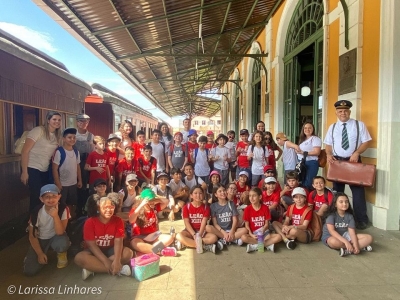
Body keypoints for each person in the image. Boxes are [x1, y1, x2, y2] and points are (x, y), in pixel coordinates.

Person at [324, 100, 372, 230]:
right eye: (340, 111)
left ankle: (361, 219)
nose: (343, 113)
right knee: (337, 192)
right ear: (336, 113)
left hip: (353, 162)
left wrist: (357, 152)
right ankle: (338, 218)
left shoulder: (359, 125)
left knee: (358, 192)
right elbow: (328, 144)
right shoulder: (332, 127)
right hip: (337, 162)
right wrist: (328, 154)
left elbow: (366, 142)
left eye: (345, 111)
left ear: (349, 112)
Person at [74, 193, 133, 280]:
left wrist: (116, 260)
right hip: (94, 251)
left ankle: (92, 269)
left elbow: (118, 241)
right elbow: (92, 245)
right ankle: (119, 269)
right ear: (98, 208)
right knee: (79, 258)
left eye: (111, 207)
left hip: (111, 249)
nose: (109, 210)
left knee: (128, 253)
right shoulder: (90, 222)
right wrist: (106, 262)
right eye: (105, 207)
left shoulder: (118, 221)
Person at [23, 184, 70, 276]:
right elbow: (32, 236)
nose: (51, 199)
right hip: (40, 238)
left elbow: (60, 232)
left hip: (56, 237)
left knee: (62, 242)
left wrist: (55, 216)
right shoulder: (36, 212)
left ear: (59, 197)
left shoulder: (64, 209)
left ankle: (61, 253)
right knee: (29, 271)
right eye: (47, 197)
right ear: (41, 199)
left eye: (54, 196)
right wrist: (40, 254)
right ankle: (37, 256)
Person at [21, 111, 62, 211]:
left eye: (59, 120)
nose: (57, 122)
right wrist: (24, 172)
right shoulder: (38, 130)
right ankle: (32, 223)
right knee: (36, 197)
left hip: (45, 169)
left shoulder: (57, 135)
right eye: (54, 119)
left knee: (45, 196)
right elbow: (25, 151)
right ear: (48, 120)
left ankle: (43, 222)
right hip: (32, 167)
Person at [321, 192, 373, 257]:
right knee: (333, 242)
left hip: (345, 235)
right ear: (335, 204)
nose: (344, 204)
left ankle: (348, 250)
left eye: (346, 202)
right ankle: (360, 247)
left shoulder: (350, 216)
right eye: (341, 202)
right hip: (331, 236)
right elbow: (332, 231)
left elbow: (352, 233)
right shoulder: (331, 216)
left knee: (369, 238)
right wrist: (346, 242)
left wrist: (356, 245)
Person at [175, 185, 218, 253]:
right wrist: (194, 235)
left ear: (203, 195)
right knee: (178, 236)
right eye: (195, 193)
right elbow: (186, 223)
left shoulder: (206, 208)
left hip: (202, 231)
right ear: (191, 195)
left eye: (200, 193)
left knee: (214, 238)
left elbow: (204, 222)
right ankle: (204, 246)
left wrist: (199, 235)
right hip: (190, 231)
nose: (198, 195)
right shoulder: (186, 207)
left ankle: (187, 244)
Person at [129, 189, 174, 254]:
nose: (152, 202)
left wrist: (156, 199)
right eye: (149, 200)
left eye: (153, 200)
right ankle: (160, 250)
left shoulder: (155, 207)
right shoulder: (136, 209)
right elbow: (131, 220)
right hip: (139, 237)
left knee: (169, 238)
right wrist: (141, 205)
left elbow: (167, 201)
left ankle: (150, 250)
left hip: (154, 235)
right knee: (135, 243)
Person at [206, 184, 248, 249]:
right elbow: (215, 224)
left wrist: (232, 231)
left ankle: (225, 240)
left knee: (245, 230)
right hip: (220, 231)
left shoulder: (231, 204)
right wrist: (224, 233)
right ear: (216, 194)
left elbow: (235, 220)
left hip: (231, 229)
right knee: (208, 227)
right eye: (220, 191)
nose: (223, 192)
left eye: (224, 190)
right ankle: (233, 239)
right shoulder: (213, 206)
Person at [52, 128, 82, 217]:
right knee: (61, 205)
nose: (72, 139)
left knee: (72, 203)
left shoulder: (76, 152)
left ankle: (70, 220)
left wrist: (79, 180)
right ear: (64, 139)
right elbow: (54, 169)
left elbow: (78, 166)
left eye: (74, 137)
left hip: (73, 183)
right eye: (69, 137)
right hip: (62, 184)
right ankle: (60, 222)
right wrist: (58, 183)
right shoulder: (59, 151)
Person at [241, 187, 282, 253]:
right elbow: (247, 225)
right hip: (254, 234)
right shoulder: (247, 209)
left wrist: (262, 231)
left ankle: (255, 246)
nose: (251, 198)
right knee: (243, 237)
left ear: (260, 197)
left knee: (279, 237)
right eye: (250, 196)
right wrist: (251, 234)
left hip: (264, 232)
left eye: (254, 196)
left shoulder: (265, 208)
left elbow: (266, 224)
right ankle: (267, 245)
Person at [75, 114, 94, 217]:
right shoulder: (73, 134)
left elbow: (93, 151)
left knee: (85, 186)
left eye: (85, 122)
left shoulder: (91, 136)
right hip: (74, 162)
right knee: (76, 185)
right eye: (80, 121)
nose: (83, 124)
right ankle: (76, 208)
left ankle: (84, 207)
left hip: (86, 163)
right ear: (77, 122)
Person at [296, 122, 322, 190]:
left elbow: (317, 152)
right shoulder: (303, 139)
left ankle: (309, 198)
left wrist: (303, 152)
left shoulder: (315, 139)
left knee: (308, 183)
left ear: (313, 129)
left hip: (311, 163)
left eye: (309, 128)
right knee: (302, 181)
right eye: (305, 128)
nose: (307, 129)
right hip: (302, 162)